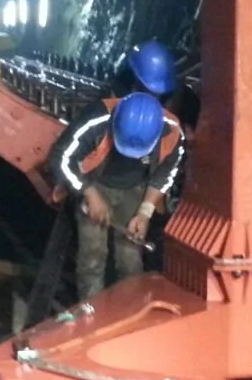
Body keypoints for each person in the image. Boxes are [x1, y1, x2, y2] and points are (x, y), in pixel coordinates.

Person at [47, 90, 187, 299]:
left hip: (136, 190)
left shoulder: (172, 132)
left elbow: (165, 175)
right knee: (93, 254)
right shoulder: (97, 119)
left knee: (130, 256)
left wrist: (145, 212)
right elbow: (61, 158)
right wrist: (89, 193)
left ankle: (129, 311)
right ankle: (90, 311)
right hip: (95, 183)